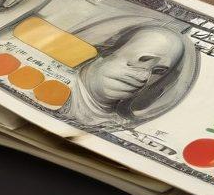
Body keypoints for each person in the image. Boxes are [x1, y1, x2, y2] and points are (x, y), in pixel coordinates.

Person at [61, 18, 197, 132]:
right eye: (143, 59)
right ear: (107, 50)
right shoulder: (52, 84)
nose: (144, 77)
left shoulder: (122, 126)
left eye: (158, 71)